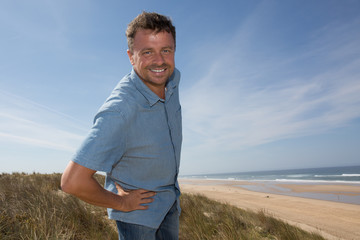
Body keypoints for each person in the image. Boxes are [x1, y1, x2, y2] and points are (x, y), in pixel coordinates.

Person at [61, 12, 182, 240]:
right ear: (131, 57)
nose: (159, 61)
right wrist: (122, 202)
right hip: (139, 215)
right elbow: (72, 182)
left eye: (166, 50)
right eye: (147, 52)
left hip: (170, 203)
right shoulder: (120, 110)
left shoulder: (172, 80)